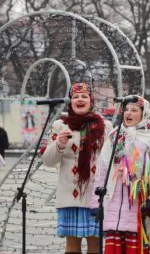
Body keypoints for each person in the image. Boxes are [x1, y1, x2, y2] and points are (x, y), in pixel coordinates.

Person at [90, 96, 150, 254]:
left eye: (134, 110)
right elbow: (103, 169)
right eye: (126, 109)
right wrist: (96, 202)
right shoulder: (114, 135)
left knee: (136, 247)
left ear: (143, 113)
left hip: (139, 204)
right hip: (114, 205)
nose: (129, 113)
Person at [42, 83, 113, 254]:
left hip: (96, 196)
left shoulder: (105, 126)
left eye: (84, 96)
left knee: (95, 245)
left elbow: (111, 159)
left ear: (91, 101)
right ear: (70, 102)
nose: (80, 100)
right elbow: (48, 160)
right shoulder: (60, 126)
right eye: (75, 97)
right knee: (72, 246)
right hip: (69, 196)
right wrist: (59, 144)